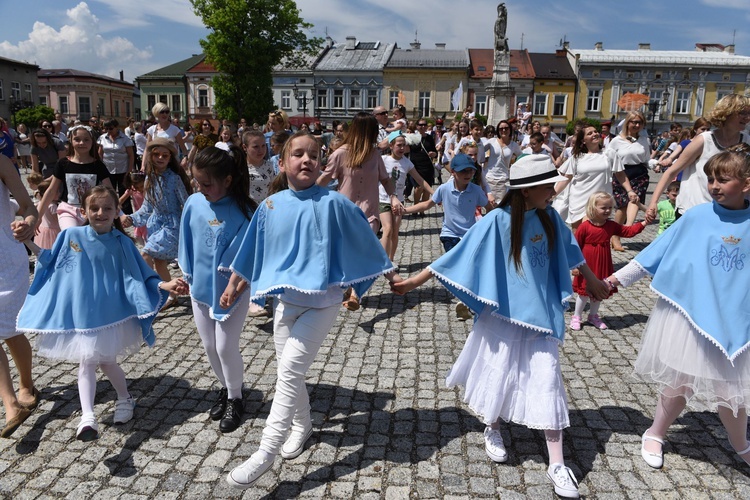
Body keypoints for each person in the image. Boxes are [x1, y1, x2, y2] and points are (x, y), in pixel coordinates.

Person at [393, 154, 609, 499]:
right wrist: (411, 283)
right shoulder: (497, 221)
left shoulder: (551, 217)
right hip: (504, 315)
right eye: (546, 186)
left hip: (541, 316)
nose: (553, 191)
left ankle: (557, 461)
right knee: (500, 369)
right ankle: (492, 426)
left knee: (547, 377)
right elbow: (458, 255)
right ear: (525, 191)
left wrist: (592, 279)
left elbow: (572, 251)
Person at [220, 132, 401, 489]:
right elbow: (252, 251)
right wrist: (234, 285)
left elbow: (364, 238)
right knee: (292, 372)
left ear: (321, 161)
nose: (306, 160)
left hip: (323, 303)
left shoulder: (333, 202)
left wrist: (363, 280)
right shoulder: (271, 206)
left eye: (314, 155)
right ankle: (302, 426)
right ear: (283, 161)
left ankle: (265, 451)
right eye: (298, 154)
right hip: (285, 303)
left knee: (288, 370)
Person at [605, 150, 750, 470]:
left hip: (735, 318)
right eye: (710, 178)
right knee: (680, 380)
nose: (714, 185)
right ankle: (655, 432)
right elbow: (656, 252)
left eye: (723, 180)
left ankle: (741, 445)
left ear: (747, 184)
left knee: (731, 389)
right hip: (693, 314)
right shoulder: (698, 216)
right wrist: (615, 280)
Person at [17, 186, 186, 441]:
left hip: (110, 315)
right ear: (83, 211)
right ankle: (88, 417)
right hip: (83, 315)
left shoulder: (122, 243)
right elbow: (49, 259)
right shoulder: (71, 235)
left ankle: (125, 398)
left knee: (105, 362)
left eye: (108, 208)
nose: (100, 213)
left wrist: (165, 285)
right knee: (89, 360)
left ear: (117, 211)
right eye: (94, 208)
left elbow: (139, 274)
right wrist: (28, 240)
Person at [178, 145, 256, 433]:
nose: (201, 188)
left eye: (207, 183)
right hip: (201, 287)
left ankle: (236, 397)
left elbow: (249, 251)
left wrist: (235, 280)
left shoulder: (246, 211)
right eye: (197, 182)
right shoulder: (194, 203)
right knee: (209, 346)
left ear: (228, 180)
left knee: (225, 346)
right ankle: (226, 387)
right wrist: (187, 273)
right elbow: (185, 239)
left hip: (231, 291)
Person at [317, 113, 401, 310]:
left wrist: (393, 196)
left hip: (369, 214)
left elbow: (386, 179)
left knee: (365, 252)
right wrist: (305, 194)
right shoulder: (340, 154)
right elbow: (325, 178)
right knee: (347, 255)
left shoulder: (375, 155)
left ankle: (355, 294)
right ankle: (346, 286)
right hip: (343, 214)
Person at [405, 153, 490, 321]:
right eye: (463, 171)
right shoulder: (444, 189)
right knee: (457, 265)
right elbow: (427, 204)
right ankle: (464, 299)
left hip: (470, 235)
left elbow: (490, 208)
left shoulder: (476, 190)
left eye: (471, 171)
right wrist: (405, 211)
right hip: (449, 234)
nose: (468, 174)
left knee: (470, 266)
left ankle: (464, 301)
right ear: (453, 172)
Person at [647, 94, 750, 220]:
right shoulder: (704, 140)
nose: (747, 117)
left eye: (749, 113)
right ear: (727, 113)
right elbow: (671, 171)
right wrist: (653, 202)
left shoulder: (746, 141)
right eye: (743, 113)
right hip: (694, 209)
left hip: (730, 212)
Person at [121, 138, 192, 311]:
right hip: (156, 225)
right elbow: (147, 208)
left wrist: (190, 225)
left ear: (170, 158)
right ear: (151, 156)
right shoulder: (149, 179)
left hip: (172, 225)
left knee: (146, 253)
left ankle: (149, 292)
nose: (160, 158)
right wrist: (131, 218)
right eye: (156, 154)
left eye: (164, 155)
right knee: (159, 263)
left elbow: (186, 201)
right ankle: (171, 294)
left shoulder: (174, 178)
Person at [0, 155, 38, 438]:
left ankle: (26, 385)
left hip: (5, 256)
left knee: (11, 331)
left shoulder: (1, 162)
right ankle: (10, 404)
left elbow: (28, 207)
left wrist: (27, 223)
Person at [570, 192, 648, 331]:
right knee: (583, 293)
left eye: (610, 208)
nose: (607, 211)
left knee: (599, 290)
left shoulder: (611, 225)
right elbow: (575, 246)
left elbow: (627, 231)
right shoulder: (584, 226)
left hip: (603, 263)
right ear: (593, 208)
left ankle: (593, 316)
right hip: (586, 264)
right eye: (603, 208)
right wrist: (576, 266)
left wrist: (644, 223)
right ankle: (576, 316)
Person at [554, 125, 639, 229]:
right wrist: (552, 194)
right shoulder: (577, 157)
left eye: (595, 132)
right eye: (590, 133)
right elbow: (567, 178)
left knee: (595, 232)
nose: (594, 134)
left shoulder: (609, 153)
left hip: (599, 201)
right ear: (583, 141)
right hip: (579, 200)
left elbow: (620, 174)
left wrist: (630, 191)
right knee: (578, 234)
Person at [35, 125, 113, 231]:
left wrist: (119, 213)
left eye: (86, 140)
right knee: (71, 233)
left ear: (92, 142)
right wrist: (38, 215)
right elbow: (51, 191)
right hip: (68, 209)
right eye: (77, 139)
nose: (82, 143)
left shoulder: (98, 165)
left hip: (91, 210)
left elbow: (109, 190)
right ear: (70, 140)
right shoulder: (63, 164)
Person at [379, 131, 433, 261]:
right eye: (399, 145)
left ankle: (391, 260)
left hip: (399, 202)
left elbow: (420, 180)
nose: (402, 148)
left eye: (404, 145)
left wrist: (434, 193)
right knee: (387, 229)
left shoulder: (407, 163)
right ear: (391, 146)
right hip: (383, 199)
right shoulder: (383, 160)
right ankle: (383, 260)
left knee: (395, 232)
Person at [607, 111, 651, 251]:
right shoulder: (616, 141)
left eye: (639, 122)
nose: (636, 125)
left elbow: (645, 159)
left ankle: (626, 228)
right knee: (622, 206)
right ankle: (615, 235)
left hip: (639, 173)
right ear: (627, 123)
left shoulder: (644, 140)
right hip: (621, 172)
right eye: (633, 122)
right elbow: (609, 159)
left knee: (634, 200)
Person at [98, 119, 135, 211]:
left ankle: (126, 212)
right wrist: (100, 167)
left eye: (111, 128)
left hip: (123, 169)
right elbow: (100, 154)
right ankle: (110, 210)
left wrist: (129, 171)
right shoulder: (102, 138)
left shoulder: (125, 139)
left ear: (116, 127)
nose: (108, 131)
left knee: (124, 192)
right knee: (109, 192)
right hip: (108, 169)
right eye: (106, 129)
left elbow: (131, 155)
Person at [484, 119, 522, 203]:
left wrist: (515, 168)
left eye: (506, 128)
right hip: (489, 178)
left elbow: (521, 157)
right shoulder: (491, 142)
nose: (503, 130)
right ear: (498, 130)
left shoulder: (513, 145)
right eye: (501, 129)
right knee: (488, 206)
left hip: (503, 180)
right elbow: (479, 150)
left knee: (500, 206)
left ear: (510, 129)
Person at [146, 103, 188, 169]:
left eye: (167, 112)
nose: (165, 114)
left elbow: (183, 148)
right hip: (156, 163)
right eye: (162, 112)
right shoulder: (152, 129)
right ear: (156, 113)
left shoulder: (175, 129)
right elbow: (147, 149)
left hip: (172, 164)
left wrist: (185, 158)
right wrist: (143, 165)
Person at [119, 172, 147, 245]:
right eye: (137, 187)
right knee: (138, 238)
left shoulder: (148, 189)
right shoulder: (132, 190)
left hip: (147, 217)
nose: (140, 189)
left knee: (147, 237)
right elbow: (120, 201)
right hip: (138, 217)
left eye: (142, 186)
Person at [33, 178, 60, 249]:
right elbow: (57, 220)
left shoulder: (39, 203)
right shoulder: (52, 206)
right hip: (53, 231)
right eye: (56, 192)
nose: (58, 193)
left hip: (43, 230)